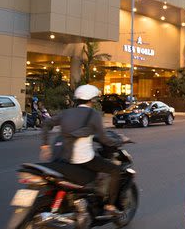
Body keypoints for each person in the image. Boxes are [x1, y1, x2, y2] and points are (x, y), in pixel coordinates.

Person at [40, 84, 123, 215]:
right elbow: (104, 139)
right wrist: (120, 141)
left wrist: (45, 145)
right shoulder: (94, 115)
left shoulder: (66, 113)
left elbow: (47, 123)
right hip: (84, 160)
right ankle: (110, 205)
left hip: (65, 159)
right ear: (91, 100)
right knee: (115, 170)